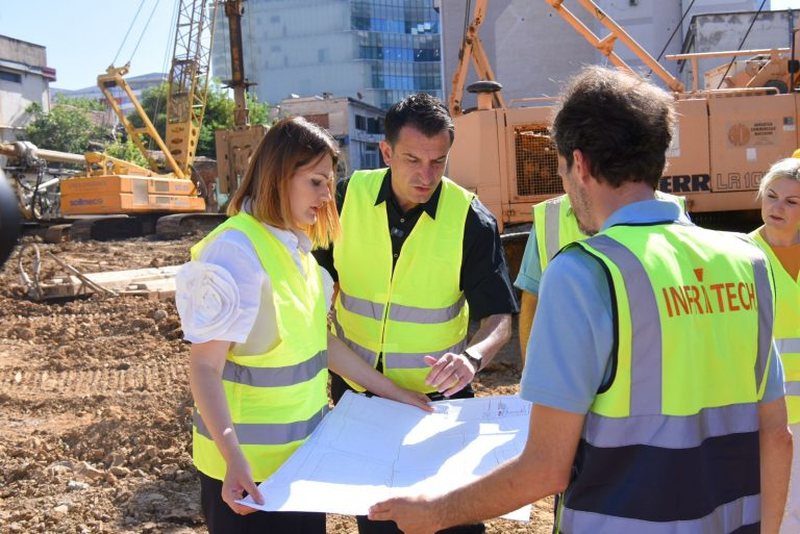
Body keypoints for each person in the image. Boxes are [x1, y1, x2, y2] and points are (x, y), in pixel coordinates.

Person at [368, 66, 792, 534]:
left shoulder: (584, 272)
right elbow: (776, 437)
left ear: (581, 164)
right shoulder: (746, 260)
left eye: (563, 169)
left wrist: (433, 513)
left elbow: (545, 467)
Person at [175, 117, 430, 534]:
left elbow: (319, 344)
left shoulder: (297, 250)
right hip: (248, 479)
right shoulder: (235, 250)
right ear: (278, 175)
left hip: (303, 463)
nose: (328, 195)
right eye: (316, 182)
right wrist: (234, 459)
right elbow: (204, 367)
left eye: (329, 182)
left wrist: (394, 392)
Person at [314, 93, 518, 533]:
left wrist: (472, 357)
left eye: (438, 162)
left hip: (437, 403)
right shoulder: (346, 200)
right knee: (378, 518)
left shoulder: (471, 221)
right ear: (386, 151)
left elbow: (500, 317)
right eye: (412, 160)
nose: (426, 175)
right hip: (360, 395)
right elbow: (311, 285)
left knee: (451, 522)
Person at [516, 191, 688, 364]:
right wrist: (530, 371)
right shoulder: (550, 216)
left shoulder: (678, 211)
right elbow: (532, 300)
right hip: (578, 371)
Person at [748, 157, 800, 534]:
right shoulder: (737, 257)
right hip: (768, 415)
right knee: (777, 517)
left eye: (791, 201)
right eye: (771, 196)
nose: (777, 207)